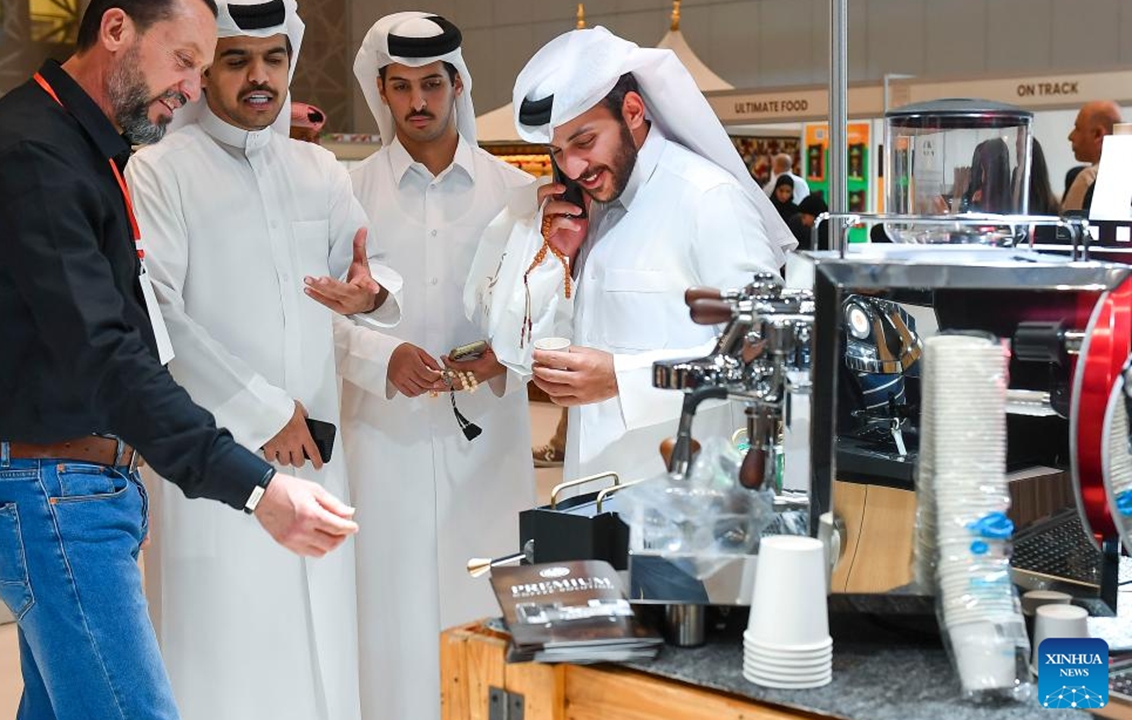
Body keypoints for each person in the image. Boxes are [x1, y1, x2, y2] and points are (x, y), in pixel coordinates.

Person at [0, 0, 358, 717]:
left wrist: (121, 465)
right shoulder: (35, 157)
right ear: (117, 29)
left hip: (73, 483)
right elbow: (107, 355)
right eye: (185, 60)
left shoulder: (78, 146)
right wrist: (255, 487)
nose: (192, 88)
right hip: (54, 490)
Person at [125, 2, 400, 718]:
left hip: (316, 456)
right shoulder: (159, 170)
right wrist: (264, 411)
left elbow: (369, 273)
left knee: (322, 640)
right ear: (206, 68)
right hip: (215, 459)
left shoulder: (318, 169)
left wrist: (371, 297)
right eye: (237, 59)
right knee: (227, 649)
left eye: (273, 60)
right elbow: (159, 315)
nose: (259, 77)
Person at [467, 26, 795, 486]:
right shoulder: (593, 211)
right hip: (592, 491)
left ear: (634, 111)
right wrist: (554, 261)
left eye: (585, 142)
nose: (574, 167)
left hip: (687, 504)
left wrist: (623, 379)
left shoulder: (708, 199)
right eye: (559, 151)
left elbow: (765, 353)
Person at [325, 13, 537, 720]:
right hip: (382, 442)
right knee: (389, 609)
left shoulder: (515, 192)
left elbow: (546, 310)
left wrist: (502, 355)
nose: (418, 102)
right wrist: (383, 357)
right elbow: (319, 315)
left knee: (487, 596)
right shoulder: (346, 193)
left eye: (432, 84)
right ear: (381, 92)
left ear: (458, 86)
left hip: (489, 445)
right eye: (401, 87)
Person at [1063, 100, 1123, 212]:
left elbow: (1070, 229)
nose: (1070, 136)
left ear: (1098, 134)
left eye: (1077, 128)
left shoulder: (1088, 179)